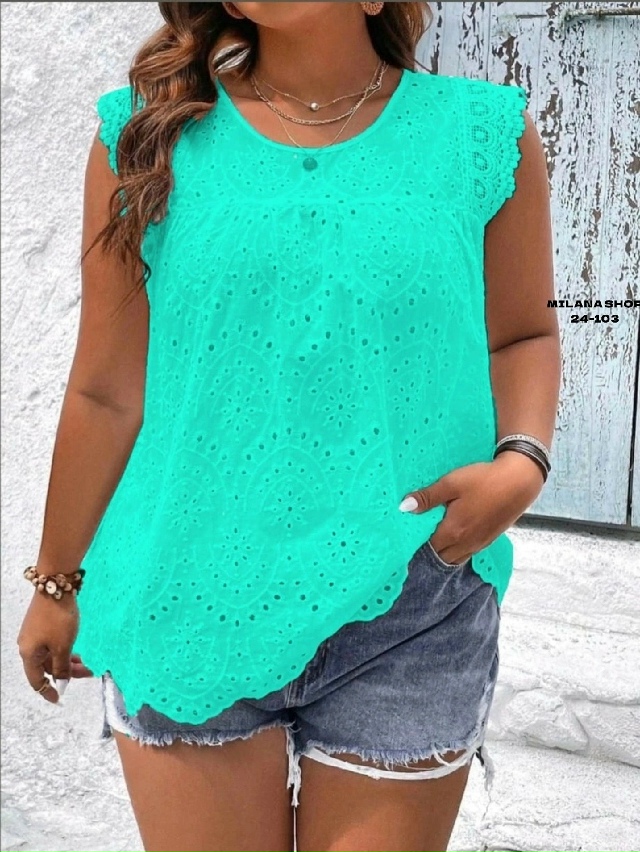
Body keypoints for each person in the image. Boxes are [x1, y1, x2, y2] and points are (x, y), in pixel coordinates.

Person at [16, 2, 560, 851]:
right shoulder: (145, 139)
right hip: (186, 594)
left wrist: (523, 464)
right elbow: (106, 391)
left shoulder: (481, 136)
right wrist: (55, 582)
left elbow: (522, 335)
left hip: (414, 598)